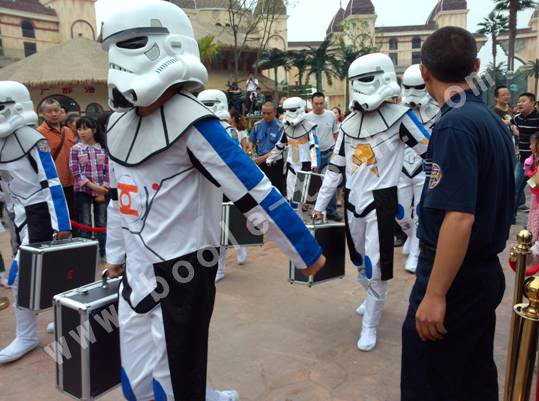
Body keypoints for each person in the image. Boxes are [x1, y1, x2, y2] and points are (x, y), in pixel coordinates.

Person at [100, 3, 325, 401]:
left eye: (132, 45)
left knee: (175, 384)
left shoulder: (196, 124)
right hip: (135, 271)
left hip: (181, 272)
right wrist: (115, 253)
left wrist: (303, 249)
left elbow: (253, 191)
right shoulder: (118, 124)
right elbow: (120, 199)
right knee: (136, 384)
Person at [401, 27, 514, 401]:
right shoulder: (490, 121)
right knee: (472, 380)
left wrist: (435, 294)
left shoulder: (455, 124)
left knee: (429, 383)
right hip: (482, 272)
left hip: (454, 277)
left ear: (425, 72)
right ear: (475, 66)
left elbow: (459, 216)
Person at [313, 53, 430, 352]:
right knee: (358, 261)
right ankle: (373, 295)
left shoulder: (401, 117)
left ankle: (370, 324)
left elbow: (431, 151)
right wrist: (320, 203)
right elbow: (335, 167)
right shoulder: (348, 124)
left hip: (382, 199)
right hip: (352, 199)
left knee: (375, 265)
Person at [0, 81, 71, 364]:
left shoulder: (33, 139)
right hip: (17, 214)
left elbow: (51, 182)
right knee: (44, 272)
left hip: (39, 213)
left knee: (20, 275)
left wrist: (61, 224)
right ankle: (62, 319)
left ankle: (27, 335)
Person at [198, 89, 248, 282]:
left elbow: (232, 158)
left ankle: (220, 266)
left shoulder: (230, 131)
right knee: (211, 227)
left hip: (225, 184)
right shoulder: (196, 129)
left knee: (224, 224)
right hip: (206, 183)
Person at [397, 64, 441, 273]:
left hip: (425, 168)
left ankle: (416, 251)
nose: (412, 92)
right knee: (401, 215)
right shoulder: (398, 111)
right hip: (401, 169)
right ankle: (409, 236)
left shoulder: (438, 111)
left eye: (417, 87)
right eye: (408, 87)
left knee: (419, 212)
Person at [69, 116, 109, 261]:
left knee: (102, 223)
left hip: (102, 192)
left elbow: (108, 169)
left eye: (85, 129)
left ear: (94, 130)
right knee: (84, 223)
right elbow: (74, 170)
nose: (82, 132)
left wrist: (103, 188)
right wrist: (92, 186)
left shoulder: (102, 148)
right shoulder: (75, 149)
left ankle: (105, 254)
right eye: (79, 129)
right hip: (83, 191)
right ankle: (85, 256)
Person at [267, 97, 320, 206]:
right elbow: (280, 145)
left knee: (304, 200)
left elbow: (314, 146)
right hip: (291, 165)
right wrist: (270, 158)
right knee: (291, 198)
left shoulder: (309, 127)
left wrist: (315, 163)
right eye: (286, 110)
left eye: (292, 110)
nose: (289, 113)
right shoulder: (287, 128)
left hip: (305, 165)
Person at [37, 99, 77, 216]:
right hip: (53, 183)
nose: (54, 114)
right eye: (49, 111)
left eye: (56, 110)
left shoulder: (68, 131)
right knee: (58, 216)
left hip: (72, 181)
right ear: (43, 114)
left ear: (61, 111)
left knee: (74, 214)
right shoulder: (39, 133)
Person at [305, 92, 341, 221]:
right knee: (313, 183)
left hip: (329, 152)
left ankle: (331, 211)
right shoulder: (306, 118)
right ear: (311, 103)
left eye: (321, 103)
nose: (319, 106)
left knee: (330, 182)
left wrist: (337, 152)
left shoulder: (331, 115)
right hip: (313, 155)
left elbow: (336, 134)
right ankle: (314, 212)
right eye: (316, 104)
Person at [248, 102, 285, 194]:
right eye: (264, 113)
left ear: (275, 112)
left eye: (268, 113)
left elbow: (278, 148)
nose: (266, 116)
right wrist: (250, 149)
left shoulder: (281, 127)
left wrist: (262, 158)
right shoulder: (257, 125)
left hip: (275, 164)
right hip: (260, 163)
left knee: (276, 190)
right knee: (261, 190)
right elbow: (251, 141)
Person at [512, 92, 539, 220]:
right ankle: (510, 217)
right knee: (515, 187)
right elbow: (509, 123)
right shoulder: (517, 118)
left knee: (535, 189)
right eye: (519, 101)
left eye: (523, 101)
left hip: (536, 162)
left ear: (532, 103)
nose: (519, 103)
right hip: (524, 161)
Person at [525, 133, 539, 241]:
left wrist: (529, 175)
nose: (530, 146)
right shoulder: (535, 159)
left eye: (532, 144)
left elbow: (536, 183)